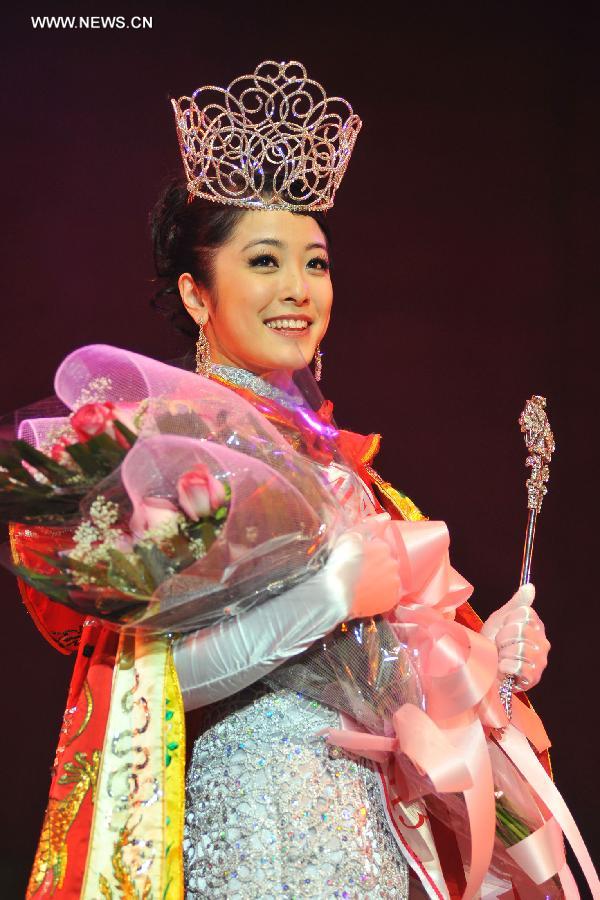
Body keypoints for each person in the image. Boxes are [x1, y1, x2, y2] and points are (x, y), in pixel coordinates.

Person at [10, 59, 590, 900]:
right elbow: (152, 679)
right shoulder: (169, 448)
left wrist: (483, 656)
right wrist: (328, 591)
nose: (298, 289)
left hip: (383, 825)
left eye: (314, 264)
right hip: (261, 821)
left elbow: (391, 668)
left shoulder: (346, 466)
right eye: (265, 262)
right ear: (197, 294)